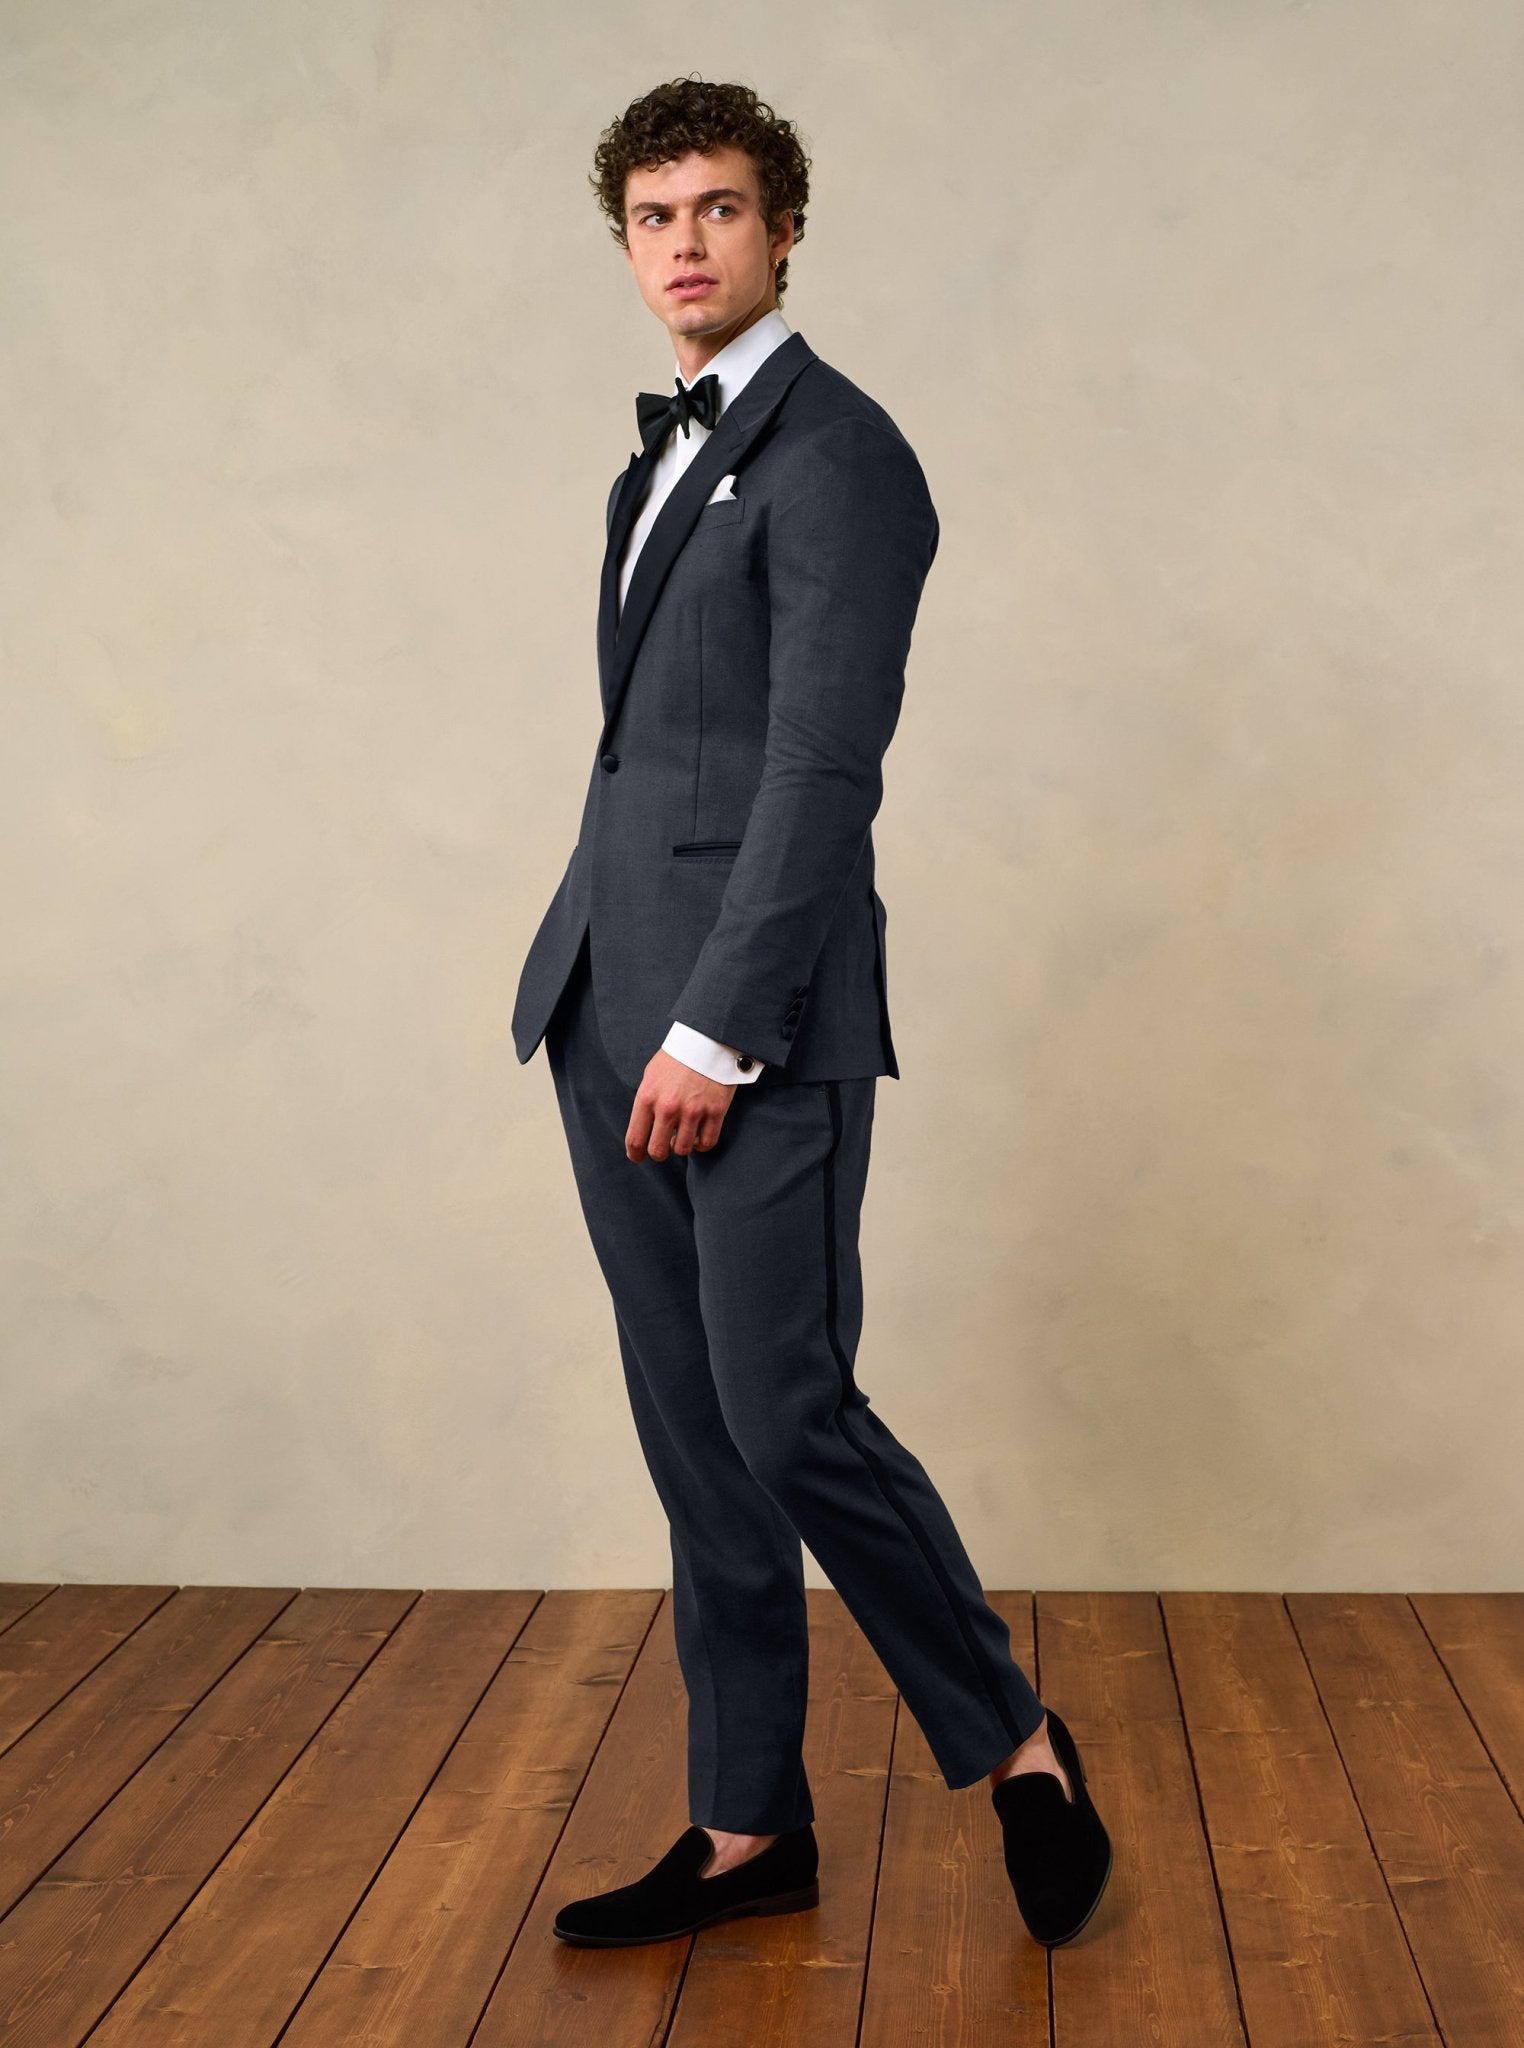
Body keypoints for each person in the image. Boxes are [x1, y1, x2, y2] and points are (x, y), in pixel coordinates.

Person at [510, 75, 1112, 1951]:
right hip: (604, 996)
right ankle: (747, 1826)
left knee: (785, 1415)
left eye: (720, 210)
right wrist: (618, 997)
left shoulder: (842, 451)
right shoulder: (658, 459)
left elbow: (818, 770)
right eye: (653, 217)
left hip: (740, 1022)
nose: (685, 244)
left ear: (782, 231)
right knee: (694, 1439)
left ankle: (1015, 1737)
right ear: (627, 244)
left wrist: (714, 1026)